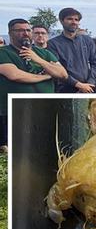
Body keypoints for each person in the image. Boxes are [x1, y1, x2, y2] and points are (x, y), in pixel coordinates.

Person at [1, 19, 68, 152]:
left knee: (43, 146)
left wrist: (37, 59)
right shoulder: (3, 52)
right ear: (10, 33)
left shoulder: (44, 53)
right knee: (18, 150)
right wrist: (46, 76)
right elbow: (16, 75)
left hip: (43, 108)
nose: (25, 33)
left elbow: (63, 74)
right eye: (20, 30)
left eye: (27, 30)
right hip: (14, 110)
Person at [47, 7, 96, 93]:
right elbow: (57, 69)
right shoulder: (52, 44)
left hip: (90, 87)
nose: (74, 22)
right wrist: (78, 85)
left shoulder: (87, 40)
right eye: (70, 19)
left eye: (76, 20)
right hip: (66, 88)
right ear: (61, 21)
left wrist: (90, 83)